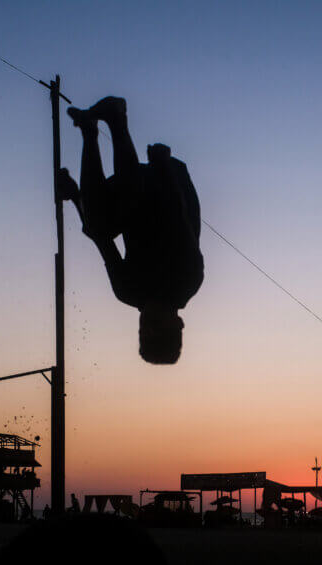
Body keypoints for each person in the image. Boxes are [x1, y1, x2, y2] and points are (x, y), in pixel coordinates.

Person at [59, 95, 203, 364]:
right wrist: (163, 169)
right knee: (131, 200)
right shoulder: (186, 280)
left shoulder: (128, 290)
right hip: (169, 185)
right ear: (177, 324)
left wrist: (75, 195)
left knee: (99, 223)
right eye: (156, 329)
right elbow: (179, 217)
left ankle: (89, 132)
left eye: (142, 332)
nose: (146, 324)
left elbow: (98, 236)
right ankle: (116, 118)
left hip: (130, 197)